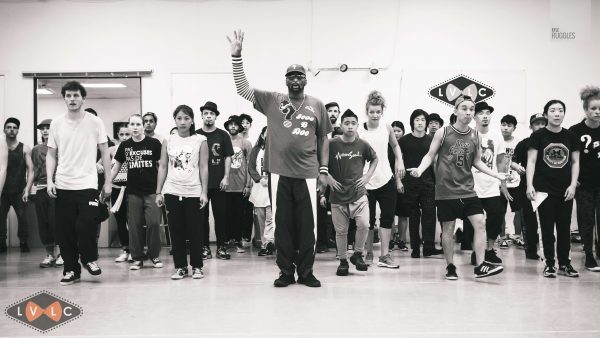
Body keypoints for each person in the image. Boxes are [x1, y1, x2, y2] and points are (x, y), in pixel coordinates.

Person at [229, 29, 332, 287]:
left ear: (305, 80)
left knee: (308, 228)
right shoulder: (273, 100)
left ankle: (306, 272)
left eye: (299, 75)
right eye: (291, 76)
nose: (295, 79)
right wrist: (237, 57)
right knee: (282, 227)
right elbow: (242, 88)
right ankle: (286, 271)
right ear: (285, 80)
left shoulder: (317, 105)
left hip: (308, 175)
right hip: (278, 174)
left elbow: (323, 139)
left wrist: (323, 170)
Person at [411, 95, 505, 280]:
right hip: (446, 191)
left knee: (480, 223)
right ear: (455, 111)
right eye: (464, 108)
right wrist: (420, 169)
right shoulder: (443, 132)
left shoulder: (475, 135)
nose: (468, 112)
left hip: (468, 189)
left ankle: (480, 266)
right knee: (449, 229)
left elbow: (477, 161)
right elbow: (430, 156)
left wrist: (495, 174)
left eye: (471, 109)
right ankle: (451, 266)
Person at [47, 81, 112, 285]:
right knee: (65, 230)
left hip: (88, 183)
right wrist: (50, 179)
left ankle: (89, 259)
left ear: (83, 98)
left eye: (76, 95)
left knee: (87, 224)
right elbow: (51, 153)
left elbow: (105, 151)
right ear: (64, 98)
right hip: (64, 184)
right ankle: (71, 270)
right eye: (68, 96)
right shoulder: (56, 123)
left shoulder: (95, 122)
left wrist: (108, 182)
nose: (72, 99)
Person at [527, 99, 580, 278]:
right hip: (543, 190)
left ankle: (565, 264)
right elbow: (531, 162)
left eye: (560, 110)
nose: (557, 114)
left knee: (565, 229)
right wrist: (529, 185)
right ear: (546, 114)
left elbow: (575, 162)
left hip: (565, 190)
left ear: (564, 114)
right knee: (547, 229)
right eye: (552, 110)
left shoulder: (571, 136)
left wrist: (573, 185)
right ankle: (549, 264)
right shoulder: (538, 136)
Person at [156, 105, 208, 280]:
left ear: (192, 120)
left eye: (186, 118)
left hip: (193, 191)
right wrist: (159, 192)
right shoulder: (168, 140)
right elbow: (163, 166)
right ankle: (180, 267)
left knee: (195, 230)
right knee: (176, 230)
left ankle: (197, 266)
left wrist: (204, 192)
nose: (183, 122)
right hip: (172, 190)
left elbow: (203, 167)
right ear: (175, 120)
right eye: (179, 118)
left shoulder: (200, 140)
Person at [327, 109, 377, 276]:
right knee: (341, 232)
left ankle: (357, 254)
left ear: (357, 125)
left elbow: (375, 159)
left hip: (358, 193)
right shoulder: (332, 144)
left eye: (353, 123)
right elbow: (319, 161)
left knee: (364, 224)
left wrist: (367, 176)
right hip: (338, 194)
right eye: (346, 123)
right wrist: (328, 178)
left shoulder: (363, 144)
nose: (350, 126)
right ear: (341, 125)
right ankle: (343, 261)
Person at [111, 114, 163, 271]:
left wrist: (162, 188)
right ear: (129, 126)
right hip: (133, 192)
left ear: (143, 126)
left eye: (138, 124)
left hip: (152, 190)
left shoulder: (154, 143)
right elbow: (117, 166)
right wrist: (107, 183)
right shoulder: (125, 146)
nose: (134, 127)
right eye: (132, 124)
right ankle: (137, 257)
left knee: (154, 223)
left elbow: (162, 166)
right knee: (134, 225)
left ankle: (154, 255)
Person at [360, 91, 405, 269]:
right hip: (366, 180)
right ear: (367, 111)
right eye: (372, 112)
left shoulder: (386, 127)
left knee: (387, 218)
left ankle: (385, 255)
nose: (375, 115)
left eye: (378, 112)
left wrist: (400, 161)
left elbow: (395, 146)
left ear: (382, 111)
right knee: (368, 220)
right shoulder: (359, 130)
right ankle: (369, 252)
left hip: (386, 178)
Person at [461, 101, 506, 266]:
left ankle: (489, 249)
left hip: (492, 185)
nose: (485, 116)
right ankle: (476, 252)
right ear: (474, 116)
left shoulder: (496, 135)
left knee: (496, 217)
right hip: (471, 186)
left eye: (488, 113)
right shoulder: (468, 135)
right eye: (481, 113)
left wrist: (503, 184)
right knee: (472, 222)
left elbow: (501, 161)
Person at [399, 110, 442, 258]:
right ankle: (415, 248)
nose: (420, 122)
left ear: (426, 123)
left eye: (423, 120)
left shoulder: (432, 140)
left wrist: (438, 183)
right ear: (412, 122)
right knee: (413, 216)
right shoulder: (404, 140)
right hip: (410, 183)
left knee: (429, 215)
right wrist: (398, 180)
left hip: (428, 183)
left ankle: (429, 247)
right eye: (417, 120)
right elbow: (398, 162)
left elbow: (436, 163)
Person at [196, 101, 234, 260]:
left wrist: (226, 177)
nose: (208, 116)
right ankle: (204, 247)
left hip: (219, 183)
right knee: (201, 218)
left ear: (216, 116)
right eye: (206, 113)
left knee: (221, 216)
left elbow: (228, 157)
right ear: (202, 116)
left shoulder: (223, 134)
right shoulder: (196, 134)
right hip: (199, 184)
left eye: (211, 114)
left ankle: (222, 247)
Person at [569, 86, 600, 272]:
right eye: (593, 108)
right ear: (586, 110)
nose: (597, 112)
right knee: (587, 220)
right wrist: (573, 180)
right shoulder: (575, 131)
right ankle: (589, 255)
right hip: (584, 186)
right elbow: (569, 160)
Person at [512, 113, 547, 260]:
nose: (540, 126)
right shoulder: (524, 143)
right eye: (536, 123)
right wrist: (515, 166)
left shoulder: (551, 142)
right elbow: (512, 161)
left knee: (547, 220)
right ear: (531, 126)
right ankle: (531, 250)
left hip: (547, 187)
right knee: (529, 221)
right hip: (527, 187)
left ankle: (549, 251)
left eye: (542, 123)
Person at [32, 118, 63, 267]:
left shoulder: (60, 147)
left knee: (56, 221)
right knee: (43, 221)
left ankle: (62, 254)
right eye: (42, 128)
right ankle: (50, 254)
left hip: (57, 187)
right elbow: (33, 170)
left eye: (48, 127)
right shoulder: (36, 149)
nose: (45, 130)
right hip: (40, 188)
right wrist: (28, 188)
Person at [1, 117, 33, 253]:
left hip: (19, 189)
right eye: (9, 127)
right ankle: (2, 242)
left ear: (18, 130)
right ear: (4, 130)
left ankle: (24, 242)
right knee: (0, 218)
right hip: (2, 190)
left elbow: (31, 170)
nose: (11, 130)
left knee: (23, 218)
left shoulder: (25, 148)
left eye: (14, 127)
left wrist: (27, 189)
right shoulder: (0, 148)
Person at [224, 115, 253, 253]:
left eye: (236, 124)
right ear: (227, 126)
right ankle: (227, 240)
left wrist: (248, 185)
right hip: (225, 185)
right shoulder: (224, 141)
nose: (233, 126)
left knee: (239, 215)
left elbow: (250, 165)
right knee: (226, 214)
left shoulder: (246, 143)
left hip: (241, 184)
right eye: (231, 124)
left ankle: (237, 241)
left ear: (240, 127)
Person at [248, 127, 275, 256]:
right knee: (261, 218)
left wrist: (271, 180)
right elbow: (251, 167)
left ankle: (270, 242)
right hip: (259, 188)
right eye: (266, 133)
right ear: (263, 135)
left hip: (272, 187)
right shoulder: (256, 150)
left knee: (271, 218)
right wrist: (259, 179)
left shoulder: (278, 149)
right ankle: (264, 245)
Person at [497, 114, 523, 248]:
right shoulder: (497, 142)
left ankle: (517, 236)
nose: (505, 128)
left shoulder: (519, 143)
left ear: (514, 128)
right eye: (503, 125)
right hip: (499, 182)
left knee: (518, 210)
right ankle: (502, 237)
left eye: (509, 125)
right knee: (500, 211)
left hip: (515, 182)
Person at [110, 123, 131, 263]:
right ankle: (125, 249)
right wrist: (99, 166)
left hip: (132, 188)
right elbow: (100, 163)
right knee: (120, 220)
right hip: (116, 188)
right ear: (117, 135)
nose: (124, 137)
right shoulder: (112, 150)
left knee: (135, 221)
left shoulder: (135, 148)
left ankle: (137, 249)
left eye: (127, 134)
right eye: (121, 134)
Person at [389, 120, 409, 252]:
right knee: (389, 214)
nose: (396, 133)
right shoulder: (386, 146)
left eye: (399, 131)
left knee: (403, 214)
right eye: (394, 131)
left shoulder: (406, 146)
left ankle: (402, 241)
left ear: (403, 132)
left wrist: (400, 181)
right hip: (389, 182)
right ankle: (389, 240)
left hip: (404, 182)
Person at [238, 113, 256, 248]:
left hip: (253, 179)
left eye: (247, 123)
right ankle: (236, 236)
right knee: (237, 210)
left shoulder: (253, 139)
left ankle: (247, 236)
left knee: (249, 209)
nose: (244, 125)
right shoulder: (233, 139)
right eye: (242, 122)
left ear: (250, 125)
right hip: (237, 180)